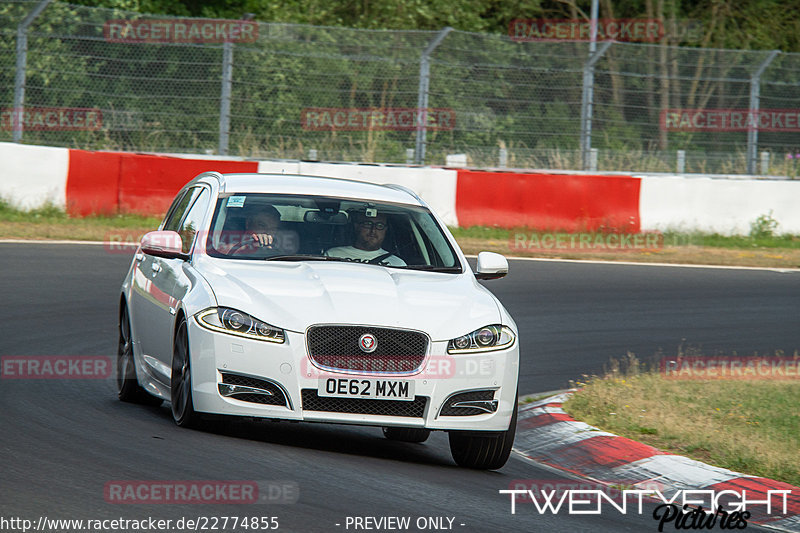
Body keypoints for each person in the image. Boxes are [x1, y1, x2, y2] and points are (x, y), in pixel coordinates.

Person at [326, 211, 406, 266]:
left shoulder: (398, 263)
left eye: (379, 226)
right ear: (356, 226)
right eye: (368, 224)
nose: (373, 230)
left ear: (385, 230)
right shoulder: (333, 255)